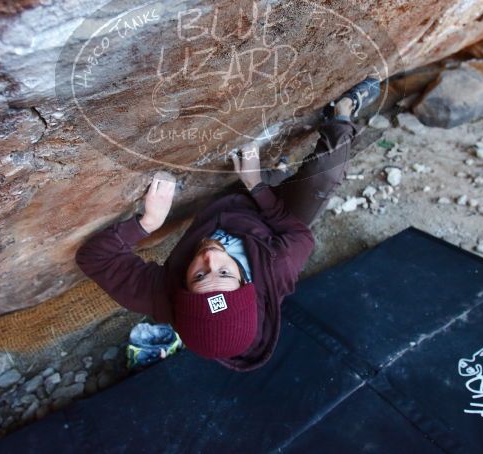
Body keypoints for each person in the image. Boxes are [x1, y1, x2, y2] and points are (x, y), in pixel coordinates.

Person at [76, 79, 379, 371]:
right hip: (271, 216)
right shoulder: (278, 269)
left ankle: (275, 170)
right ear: (247, 282)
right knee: (325, 177)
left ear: (183, 289)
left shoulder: (167, 297)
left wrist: (149, 222)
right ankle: (342, 112)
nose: (210, 257)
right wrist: (256, 185)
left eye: (198, 276)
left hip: (223, 207)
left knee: (269, 176)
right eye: (223, 272)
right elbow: (300, 236)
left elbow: (94, 258)